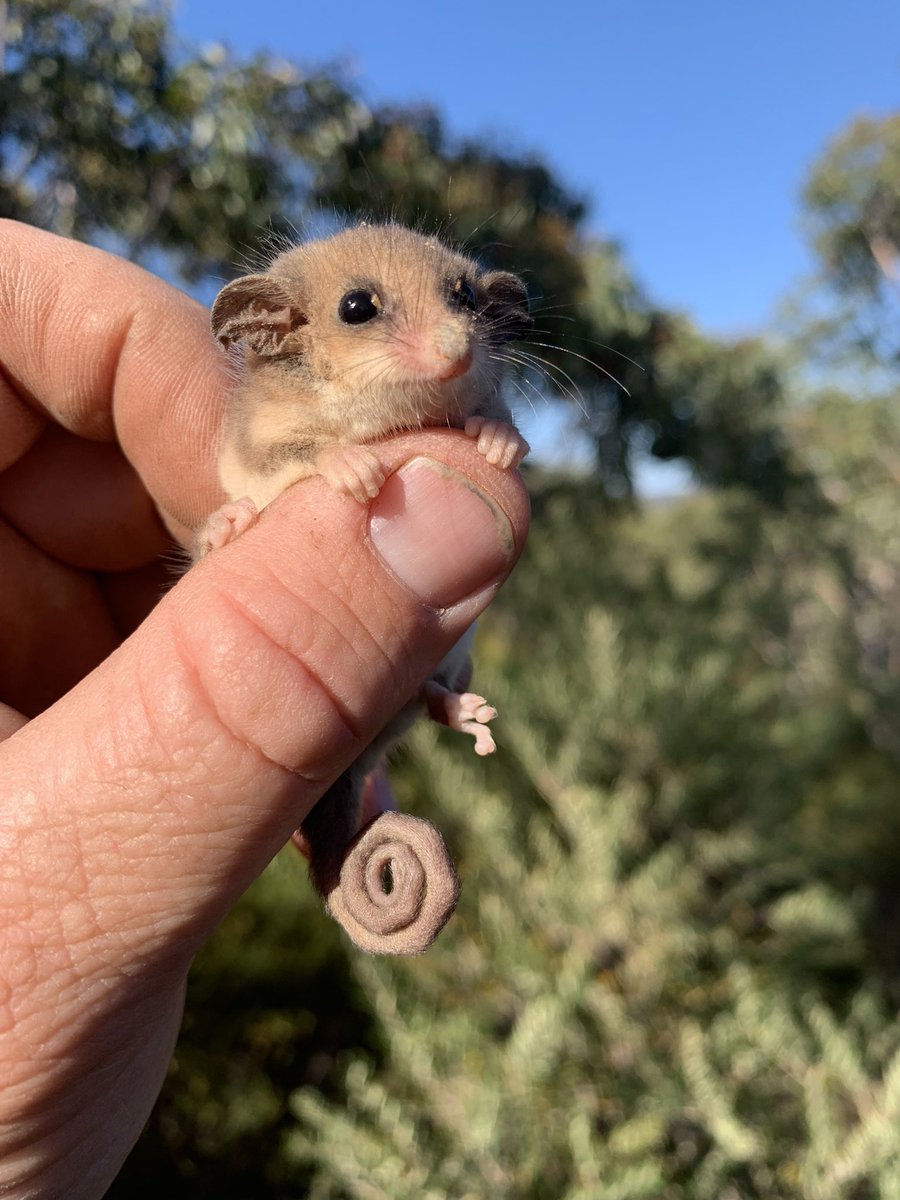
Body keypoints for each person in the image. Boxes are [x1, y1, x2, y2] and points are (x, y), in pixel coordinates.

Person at [0, 220, 529, 1198]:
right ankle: (401, 739)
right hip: (333, 664)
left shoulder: (469, 396)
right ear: (283, 330)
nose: (451, 341)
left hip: (398, 690)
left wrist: (495, 433)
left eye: (463, 303)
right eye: (366, 312)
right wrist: (306, 481)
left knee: (431, 628)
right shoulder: (278, 404)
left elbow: (496, 434)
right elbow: (260, 461)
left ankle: (432, 701)